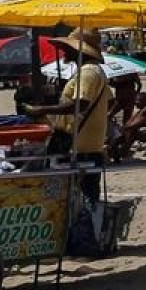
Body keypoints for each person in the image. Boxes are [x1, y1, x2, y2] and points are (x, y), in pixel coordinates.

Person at [22, 33, 112, 202]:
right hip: (87, 142)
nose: (63, 51)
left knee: (74, 193)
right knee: (84, 193)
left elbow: (81, 104)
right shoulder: (93, 71)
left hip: (77, 143)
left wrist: (42, 110)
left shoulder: (88, 73)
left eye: (67, 48)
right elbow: (108, 100)